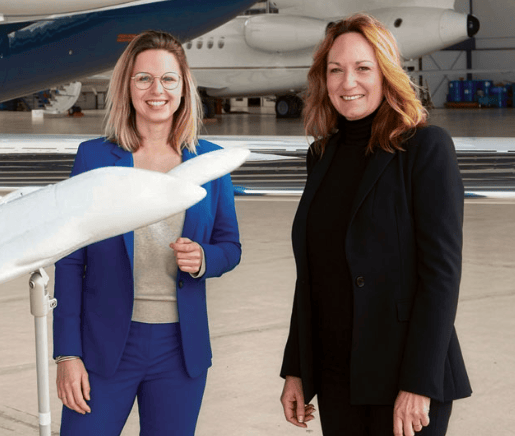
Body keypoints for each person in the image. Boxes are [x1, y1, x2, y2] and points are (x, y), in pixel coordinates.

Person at [279, 13, 471, 436]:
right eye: (335, 70)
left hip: (405, 375)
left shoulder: (424, 147)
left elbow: (441, 275)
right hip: (337, 374)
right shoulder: (321, 155)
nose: (348, 82)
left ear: (386, 74)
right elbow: (312, 274)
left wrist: (419, 383)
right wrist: (297, 369)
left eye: (363, 68)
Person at [52, 30, 241, 436]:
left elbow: (230, 245)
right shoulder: (95, 157)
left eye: (168, 79)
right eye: (144, 78)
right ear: (127, 85)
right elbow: (69, 260)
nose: (157, 90)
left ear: (183, 87)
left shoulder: (210, 161)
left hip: (180, 351)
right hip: (103, 348)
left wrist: (205, 259)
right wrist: (67, 353)